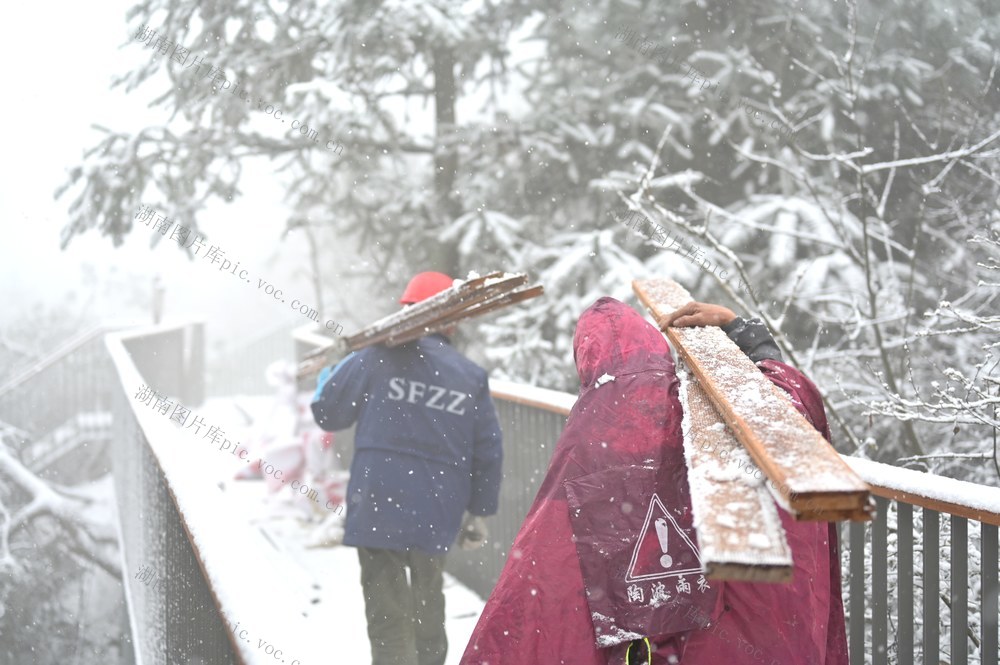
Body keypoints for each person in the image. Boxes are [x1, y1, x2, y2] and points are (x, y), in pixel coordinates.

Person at [460, 296, 848, 665]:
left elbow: (545, 573)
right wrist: (745, 334)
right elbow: (787, 413)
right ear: (658, 348)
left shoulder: (589, 435)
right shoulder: (705, 413)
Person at [311, 271, 504, 665]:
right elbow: (489, 450)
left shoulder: (373, 356)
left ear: (405, 311)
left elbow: (329, 414)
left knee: (387, 614)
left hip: (378, 500)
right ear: (453, 318)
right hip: (438, 507)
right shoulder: (469, 377)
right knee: (428, 605)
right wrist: (479, 513)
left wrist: (331, 372)